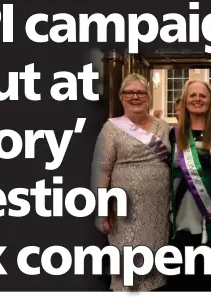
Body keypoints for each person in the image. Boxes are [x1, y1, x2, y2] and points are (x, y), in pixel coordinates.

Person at [91, 73, 172, 291]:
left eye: (140, 92)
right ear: (121, 97)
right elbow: (101, 171)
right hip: (124, 211)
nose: (135, 96)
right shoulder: (111, 128)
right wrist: (101, 209)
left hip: (157, 211)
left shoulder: (163, 128)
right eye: (129, 92)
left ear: (148, 97)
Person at [167, 80, 211, 291]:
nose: (197, 99)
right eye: (192, 95)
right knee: (185, 282)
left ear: (210, 101)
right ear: (185, 101)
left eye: (202, 95)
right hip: (182, 220)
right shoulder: (174, 134)